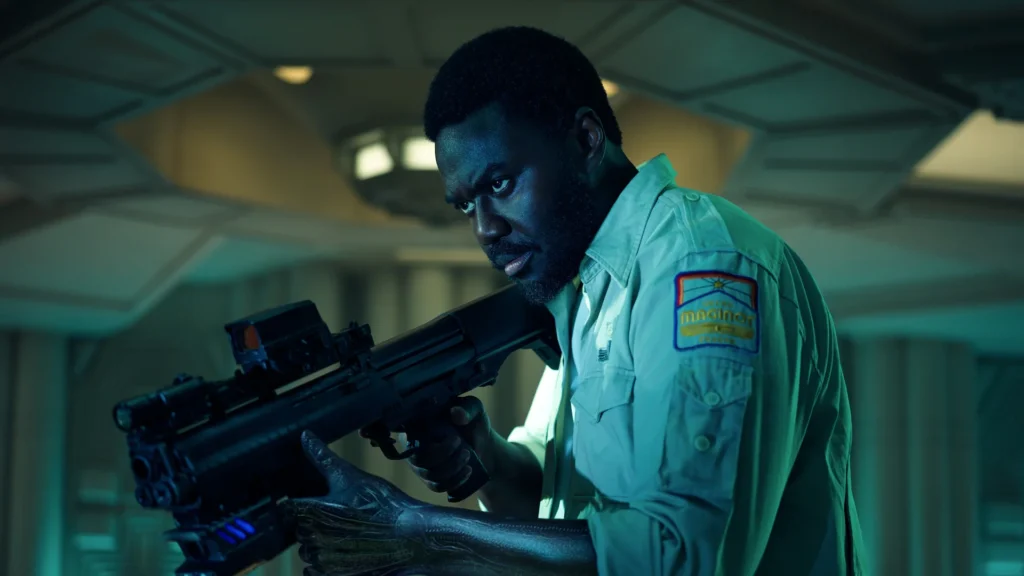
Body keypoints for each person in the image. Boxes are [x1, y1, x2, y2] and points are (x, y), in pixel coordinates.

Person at [289, 26, 865, 576]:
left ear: (586, 139)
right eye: (466, 205)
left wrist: (420, 532)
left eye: (499, 184)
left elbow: (682, 557)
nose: (485, 229)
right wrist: (487, 459)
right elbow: (556, 501)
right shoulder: (583, 285)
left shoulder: (701, 268)